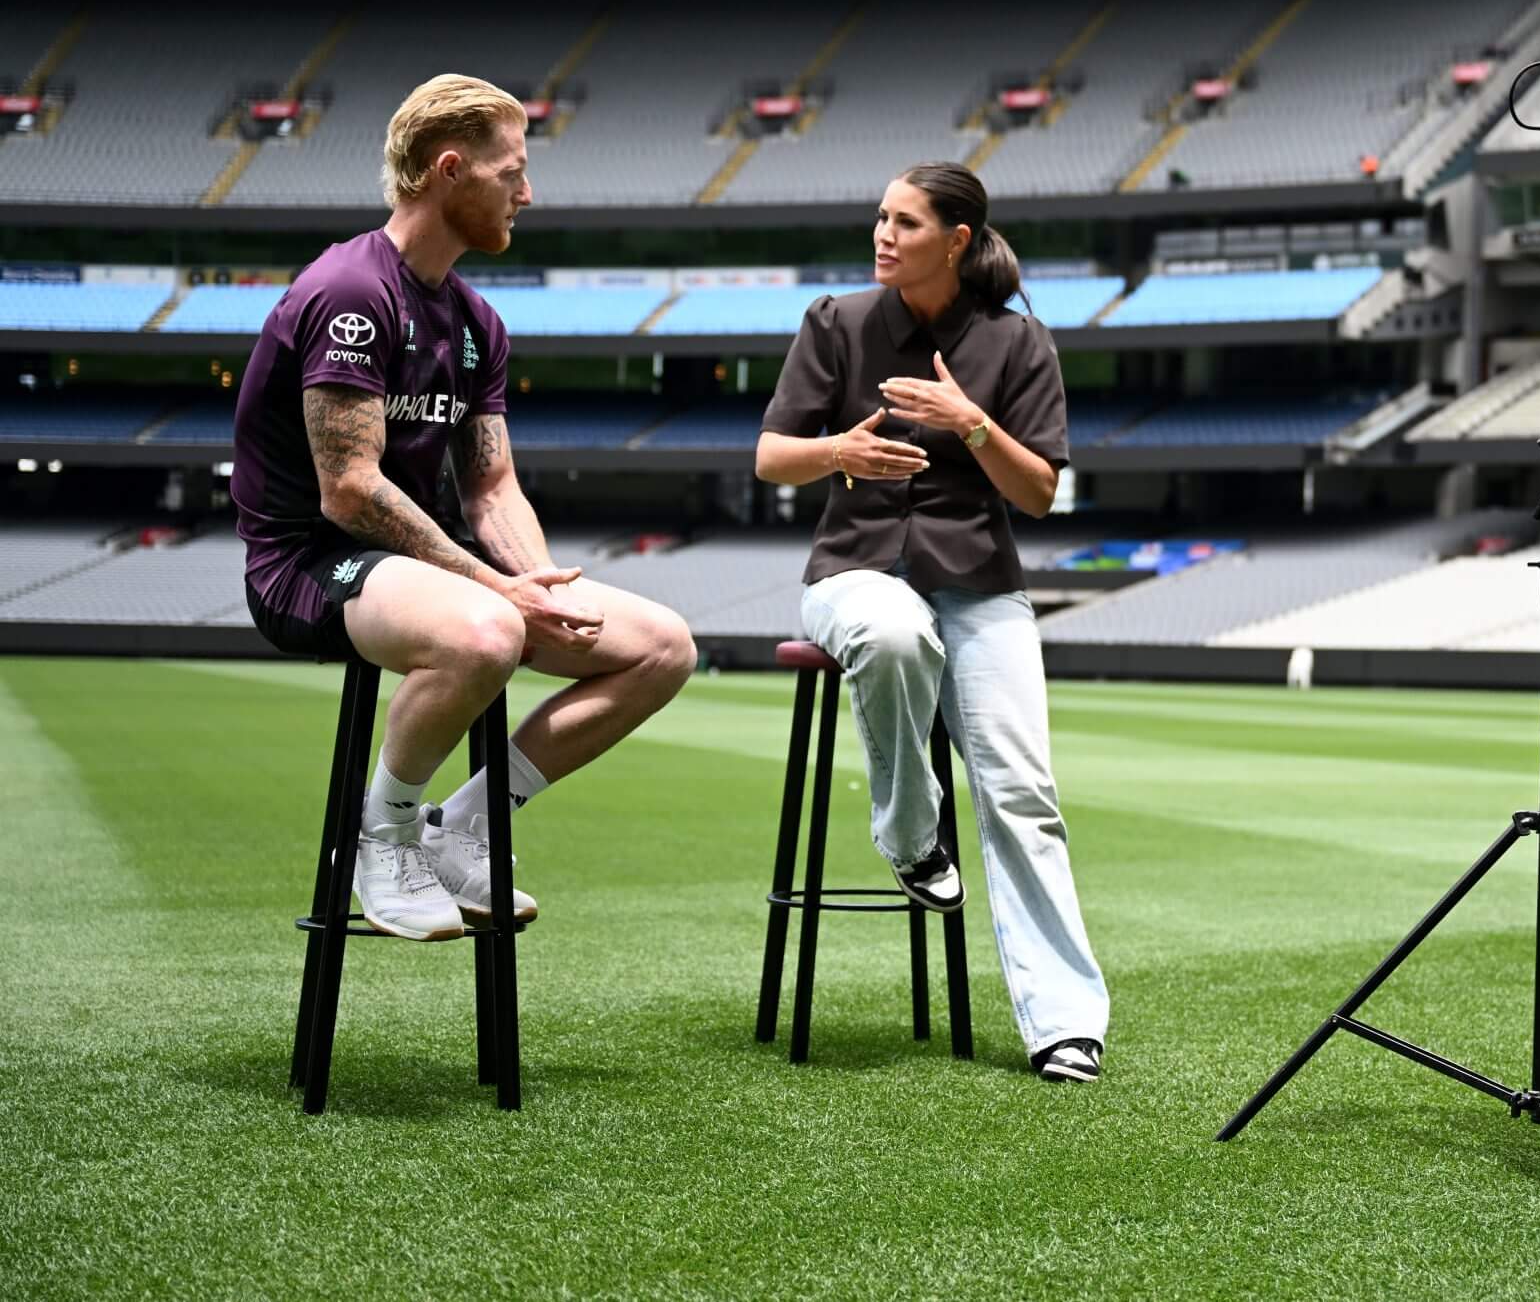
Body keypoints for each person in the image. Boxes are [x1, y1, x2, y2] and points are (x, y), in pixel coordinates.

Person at [232, 75, 696, 941]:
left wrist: (538, 584)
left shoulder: (477, 322)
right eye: (511, 171)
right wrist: (497, 592)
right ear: (449, 170)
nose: (529, 192)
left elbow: (491, 486)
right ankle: (383, 835)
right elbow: (349, 488)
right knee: (487, 632)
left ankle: (465, 826)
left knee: (662, 647)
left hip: (418, 564)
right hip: (311, 560)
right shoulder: (351, 292)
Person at [754, 163, 1109, 1084]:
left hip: (980, 582)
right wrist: (837, 449)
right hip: (854, 572)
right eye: (879, 217)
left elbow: (1039, 493)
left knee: (1024, 793)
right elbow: (770, 458)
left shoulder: (1019, 341)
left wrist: (972, 422)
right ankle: (913, 834)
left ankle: (1066, 1024)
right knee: (894, 633)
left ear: (955, 240)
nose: (883, 234)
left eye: (904, 222)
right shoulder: (835, 322)